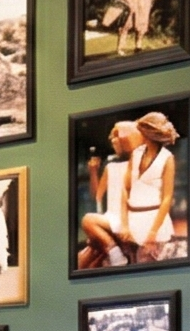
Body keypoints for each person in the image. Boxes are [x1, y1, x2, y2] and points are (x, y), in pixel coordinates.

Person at [78, 111, 182, 268]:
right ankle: (114, 254)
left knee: (92, 249)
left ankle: (116, 254)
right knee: (88, 250)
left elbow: (167, 197)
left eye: (118, 137)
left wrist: (152, 231)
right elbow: (101, 195)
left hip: (144, 220)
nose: (114, 141)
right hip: (120, 219)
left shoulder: (165, 158)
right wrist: (93, 171)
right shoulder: (119, 164)